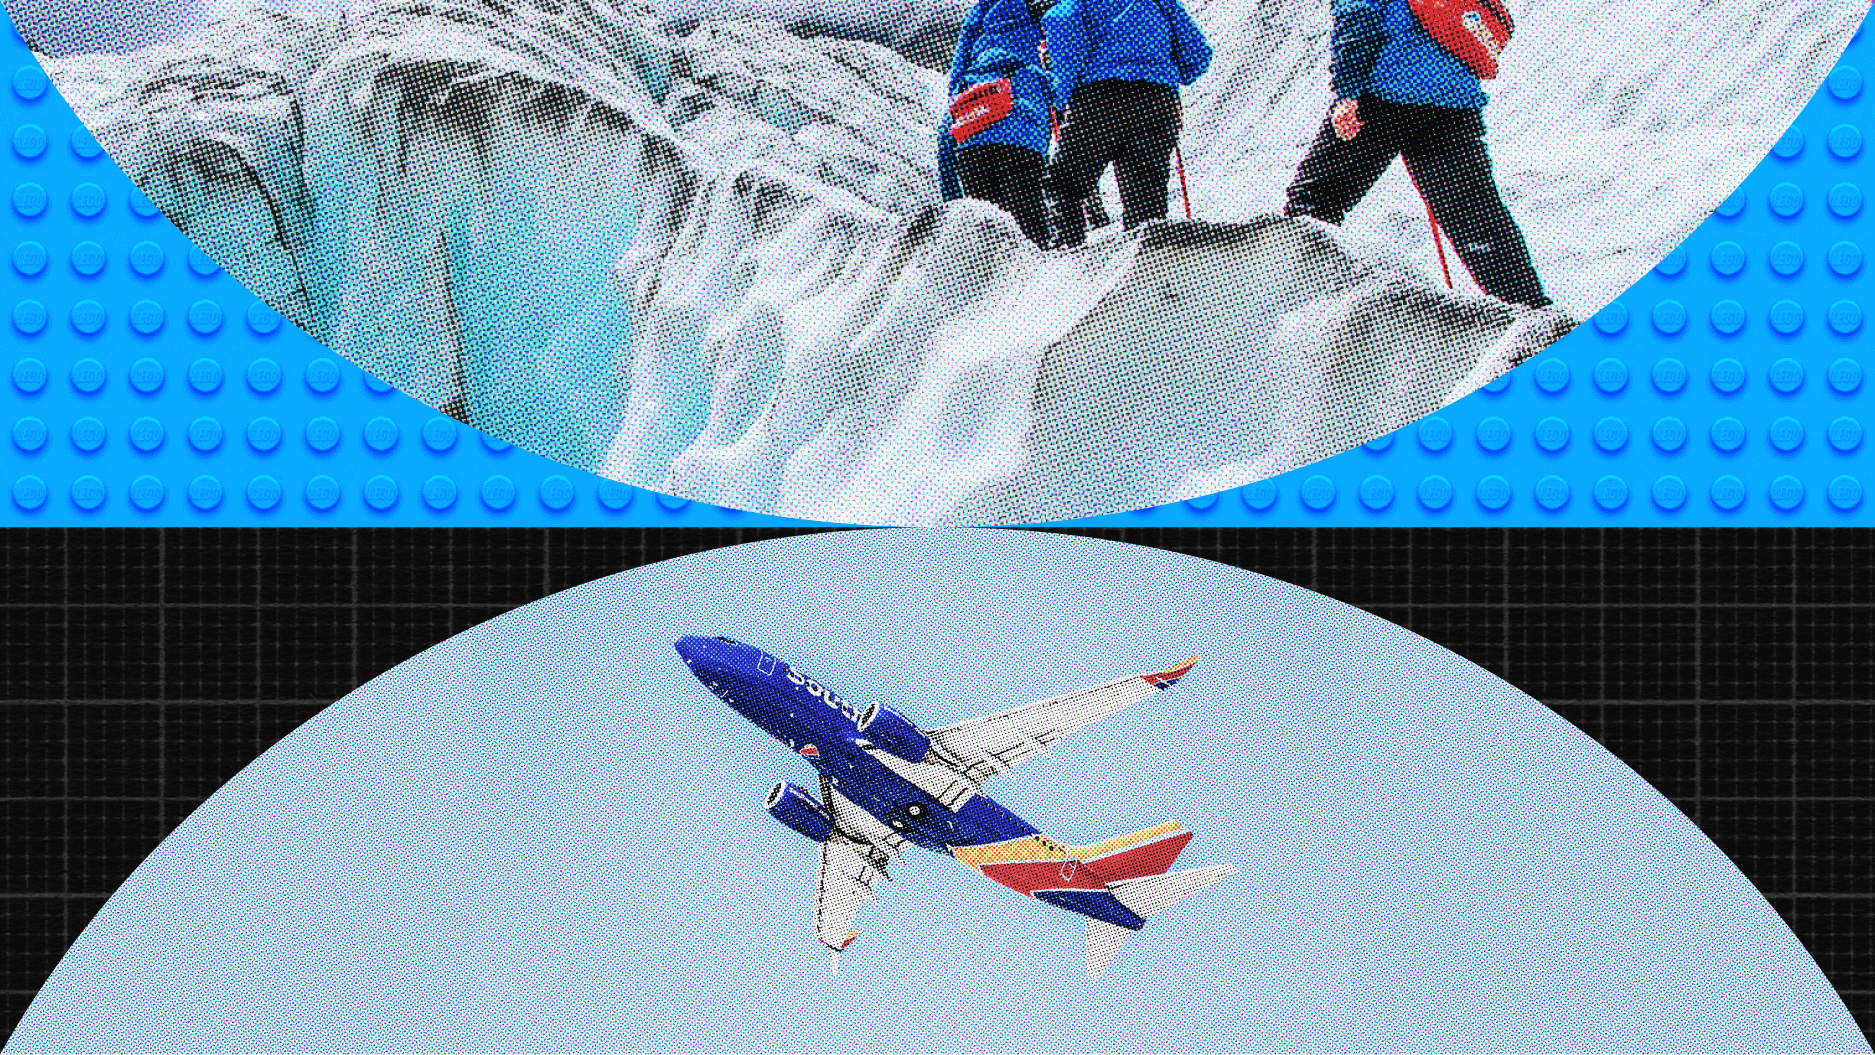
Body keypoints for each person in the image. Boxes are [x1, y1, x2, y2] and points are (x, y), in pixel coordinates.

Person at [1283, 0, 1550, 308]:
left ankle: (1291, 300)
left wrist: (1347, 94)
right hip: (1454, 101)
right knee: (1477, 220)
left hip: (1385, 94)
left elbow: (1359, 18)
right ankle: (1534, 315)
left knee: (1313, 202)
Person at [1041, 0, 1212, 247]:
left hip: (1099, 102)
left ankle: (1068, 262)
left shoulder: (1076, 4)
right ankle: (1150, 268)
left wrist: (1061, 91)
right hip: (1157, 102)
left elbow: (1066, 43)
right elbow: (1198, 57)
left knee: (1065, 186)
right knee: (1147, 202)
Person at [944, 0, 1058, 248]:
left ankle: (986, 277)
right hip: (1023, 138)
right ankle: (1041, 276)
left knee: (985, 226)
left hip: (973, 134)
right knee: (1029, 218)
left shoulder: (984, 9)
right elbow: (1063, 87)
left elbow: (959, 63)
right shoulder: (1049, 18)